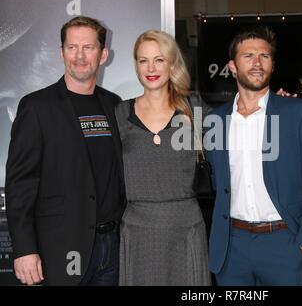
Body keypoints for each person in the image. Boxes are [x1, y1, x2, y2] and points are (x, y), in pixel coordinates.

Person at [205, 26, 302, 285]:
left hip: (284, 244)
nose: (257, 63)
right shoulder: (214, 120)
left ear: (273, 65)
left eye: (264, 56)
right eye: (248, 56)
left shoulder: (297, 112)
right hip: (232, 248)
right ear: (232, 66)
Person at [5, 16, 125, 286]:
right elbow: (20, 184)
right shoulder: (36, 107)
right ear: (61, 53)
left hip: (112, 248)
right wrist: (24, 249)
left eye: (88, 48)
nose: (79, 56)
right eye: (72, 47)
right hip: (60, 249)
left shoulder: (114, 105)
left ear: (103, 55)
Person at [115, 30, 210, 285]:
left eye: (159, 59)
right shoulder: (119, 113)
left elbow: (240, 125)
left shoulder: (195, 109)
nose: (151, 67)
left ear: (172, 63)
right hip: (137, 233)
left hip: (185, 229)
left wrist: (274, 106)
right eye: (143, 60)